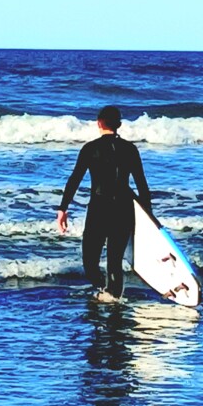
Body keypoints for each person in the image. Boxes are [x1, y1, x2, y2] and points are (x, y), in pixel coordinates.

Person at [57, 106, 151, 303]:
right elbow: (142, 184)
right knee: (114, 261)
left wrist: (63, 208)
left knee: (90, 260)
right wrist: (148, 217)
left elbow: (75, 179)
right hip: (124, 209)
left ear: (99, 123)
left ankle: (102, 290)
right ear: (119, 125)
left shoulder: (90, 148)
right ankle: (114, 298)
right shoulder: (130, 149)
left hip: (99, 209)